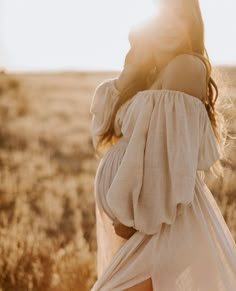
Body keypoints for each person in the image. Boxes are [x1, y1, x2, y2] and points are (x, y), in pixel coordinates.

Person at [89, 0, 236, 290]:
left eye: (179, 16)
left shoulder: (185, 67)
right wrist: (133, 69)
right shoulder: (151, 73)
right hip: (147, 222)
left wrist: (134, 218)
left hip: (157, 221)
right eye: (162, 16)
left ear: (192, 23)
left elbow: (165, 159)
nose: (169, 24)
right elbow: (104, 132)